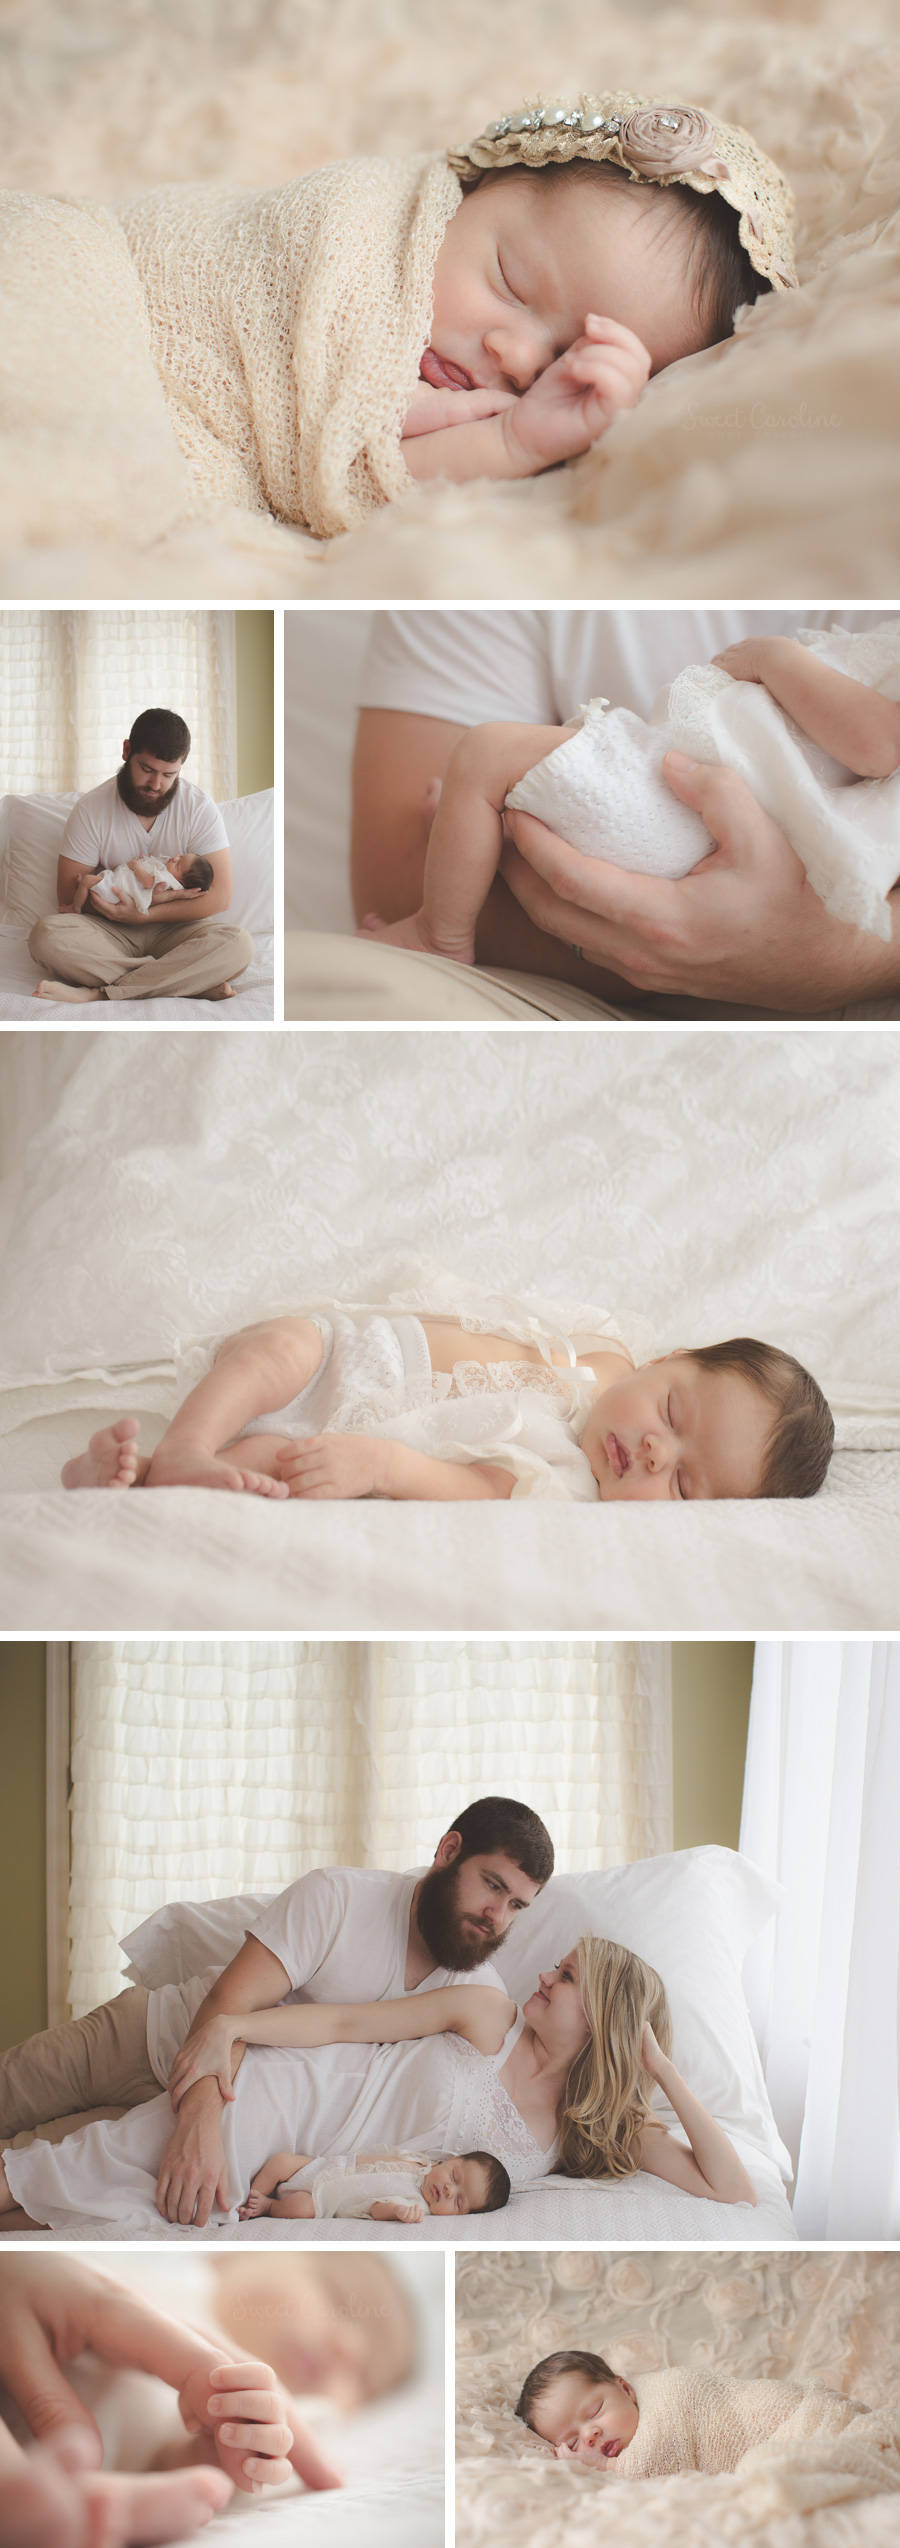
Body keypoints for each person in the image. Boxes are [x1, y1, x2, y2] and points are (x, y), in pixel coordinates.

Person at [0, 1799, 553, 2228]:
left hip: (229, 2115)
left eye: (516, 1906)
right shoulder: (340, 1897)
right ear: (449, 1850)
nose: (497, 1916)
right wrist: (197, 2124)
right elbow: (229, 2006)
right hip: (145, 2042)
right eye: (492, 1885)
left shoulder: (478, 1992)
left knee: (38, 2198)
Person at [351, 608, 900, 1017]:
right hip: (691, 816)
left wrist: (772, 657)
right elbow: (395, 870)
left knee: (485, 753)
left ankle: (440, 936)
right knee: (490, 786)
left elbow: (879, 746)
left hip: (684, 815)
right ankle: (480, 835)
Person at [0, 1937, 758, 2233]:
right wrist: (237, 2028)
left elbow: (733, 2191)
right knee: (72, 2174)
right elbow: (346, 2024)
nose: (544, 1974)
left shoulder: (588, 2133)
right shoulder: (488, 2013)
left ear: (602, 2025)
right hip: (287, 2095)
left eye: (565, 1978)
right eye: (557, 1965)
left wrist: (660, 2071)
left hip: (312, 2172)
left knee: (90, 2213)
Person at [58, 1300, 834, 1503]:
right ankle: (188, 1445)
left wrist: (382, 1464)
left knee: (269, 1471)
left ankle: (140, 1474)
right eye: (671, 1414)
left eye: (685, 1485)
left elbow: (475, 1486)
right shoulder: (611, 1352)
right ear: (666, 1361)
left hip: (350, 1434)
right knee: (278, 1351)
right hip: (351, 1353)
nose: (658, 1453)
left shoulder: (564, 1482)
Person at [0, 2253, 340, 2548]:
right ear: (232, 2255)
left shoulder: (289, 2414)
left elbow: (143, 2461)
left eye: (361, 2376)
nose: (346, 2347)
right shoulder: (178, 2278)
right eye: (336, 2297)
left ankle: (60, 2506)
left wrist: (199, 2457)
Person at [28, 708, 254, 1005]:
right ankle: (184, 981)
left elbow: (220, 896)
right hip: (111, 929)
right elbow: (68, 893)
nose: (156, 784)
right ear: (126, 751)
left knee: (239, 944)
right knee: (46, 935)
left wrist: (146, 913)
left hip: (178, 929)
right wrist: (123, 913)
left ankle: (100, 993)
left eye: (169, 774)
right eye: (147, 769)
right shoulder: (90, 810)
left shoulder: (199, 808)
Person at [515, 2350, 900, 2504]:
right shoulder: (634, 2414)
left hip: (802, 2417)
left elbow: (656, 2463)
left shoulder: (670, 2394)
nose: (590, 2435)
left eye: (595, 2411)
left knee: (779, 2473)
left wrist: (606, 2466)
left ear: (625, 2388)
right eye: (572, 2442)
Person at [238, 2144, 511, 2221]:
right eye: (454, 2177)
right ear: (450, 2160)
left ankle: (266, 2206)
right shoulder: (421, 2161)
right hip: (328, 2166)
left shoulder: (417, 2206)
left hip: (324, 2199)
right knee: (281, 2162)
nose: (450, 2190)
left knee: (299, 2207)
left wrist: (397, 2212)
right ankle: (245, 2199)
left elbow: (377, 2209)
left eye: (459, 2202)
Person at [84, 852, 215, 915]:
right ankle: (86, 887)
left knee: (87, 881)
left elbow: (148, 883)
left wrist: (137, 866)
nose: (175, 858)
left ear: (180, 881)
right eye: (181, 856)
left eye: (178, 864)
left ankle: (75, 907)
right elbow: (153, 866)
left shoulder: (167, 879)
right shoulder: (168, 869)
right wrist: (146, 859)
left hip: (115, 890)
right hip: (116, 884)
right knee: (90, 882)